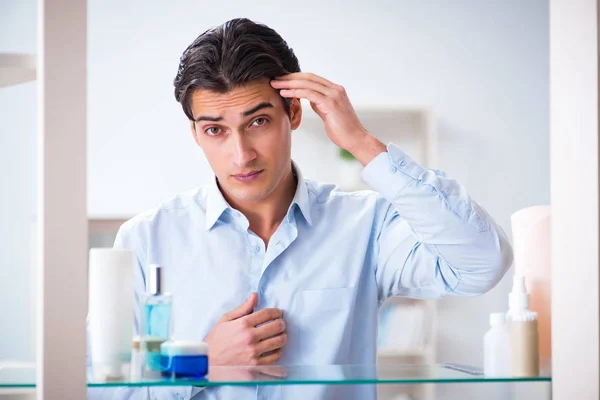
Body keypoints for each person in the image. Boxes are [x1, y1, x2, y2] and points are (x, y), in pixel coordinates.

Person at [88, 17, 512, 400]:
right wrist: (201, 369)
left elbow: (481, 263)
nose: (241, 155)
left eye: (258, 122)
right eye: (216, 130)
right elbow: (102, 392)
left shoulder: (366, 227)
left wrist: (361, 143)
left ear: (292, 112)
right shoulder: (145, 240)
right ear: (196, 134)